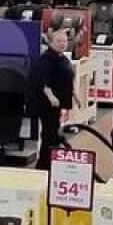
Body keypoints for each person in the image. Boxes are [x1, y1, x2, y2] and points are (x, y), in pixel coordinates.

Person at [29, 28, 75, 169]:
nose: (62, 44)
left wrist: (74, 95)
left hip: (60, 102)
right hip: (47, 104)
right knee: (50, 134)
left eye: (64, 41)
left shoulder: (62, 58)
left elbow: (67, 78)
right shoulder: (46, 59)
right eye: (59, 41)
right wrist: (51, 96)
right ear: (50, 42)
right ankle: (44, 164)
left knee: (54, 132)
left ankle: (50, 162)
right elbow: (41, 81)